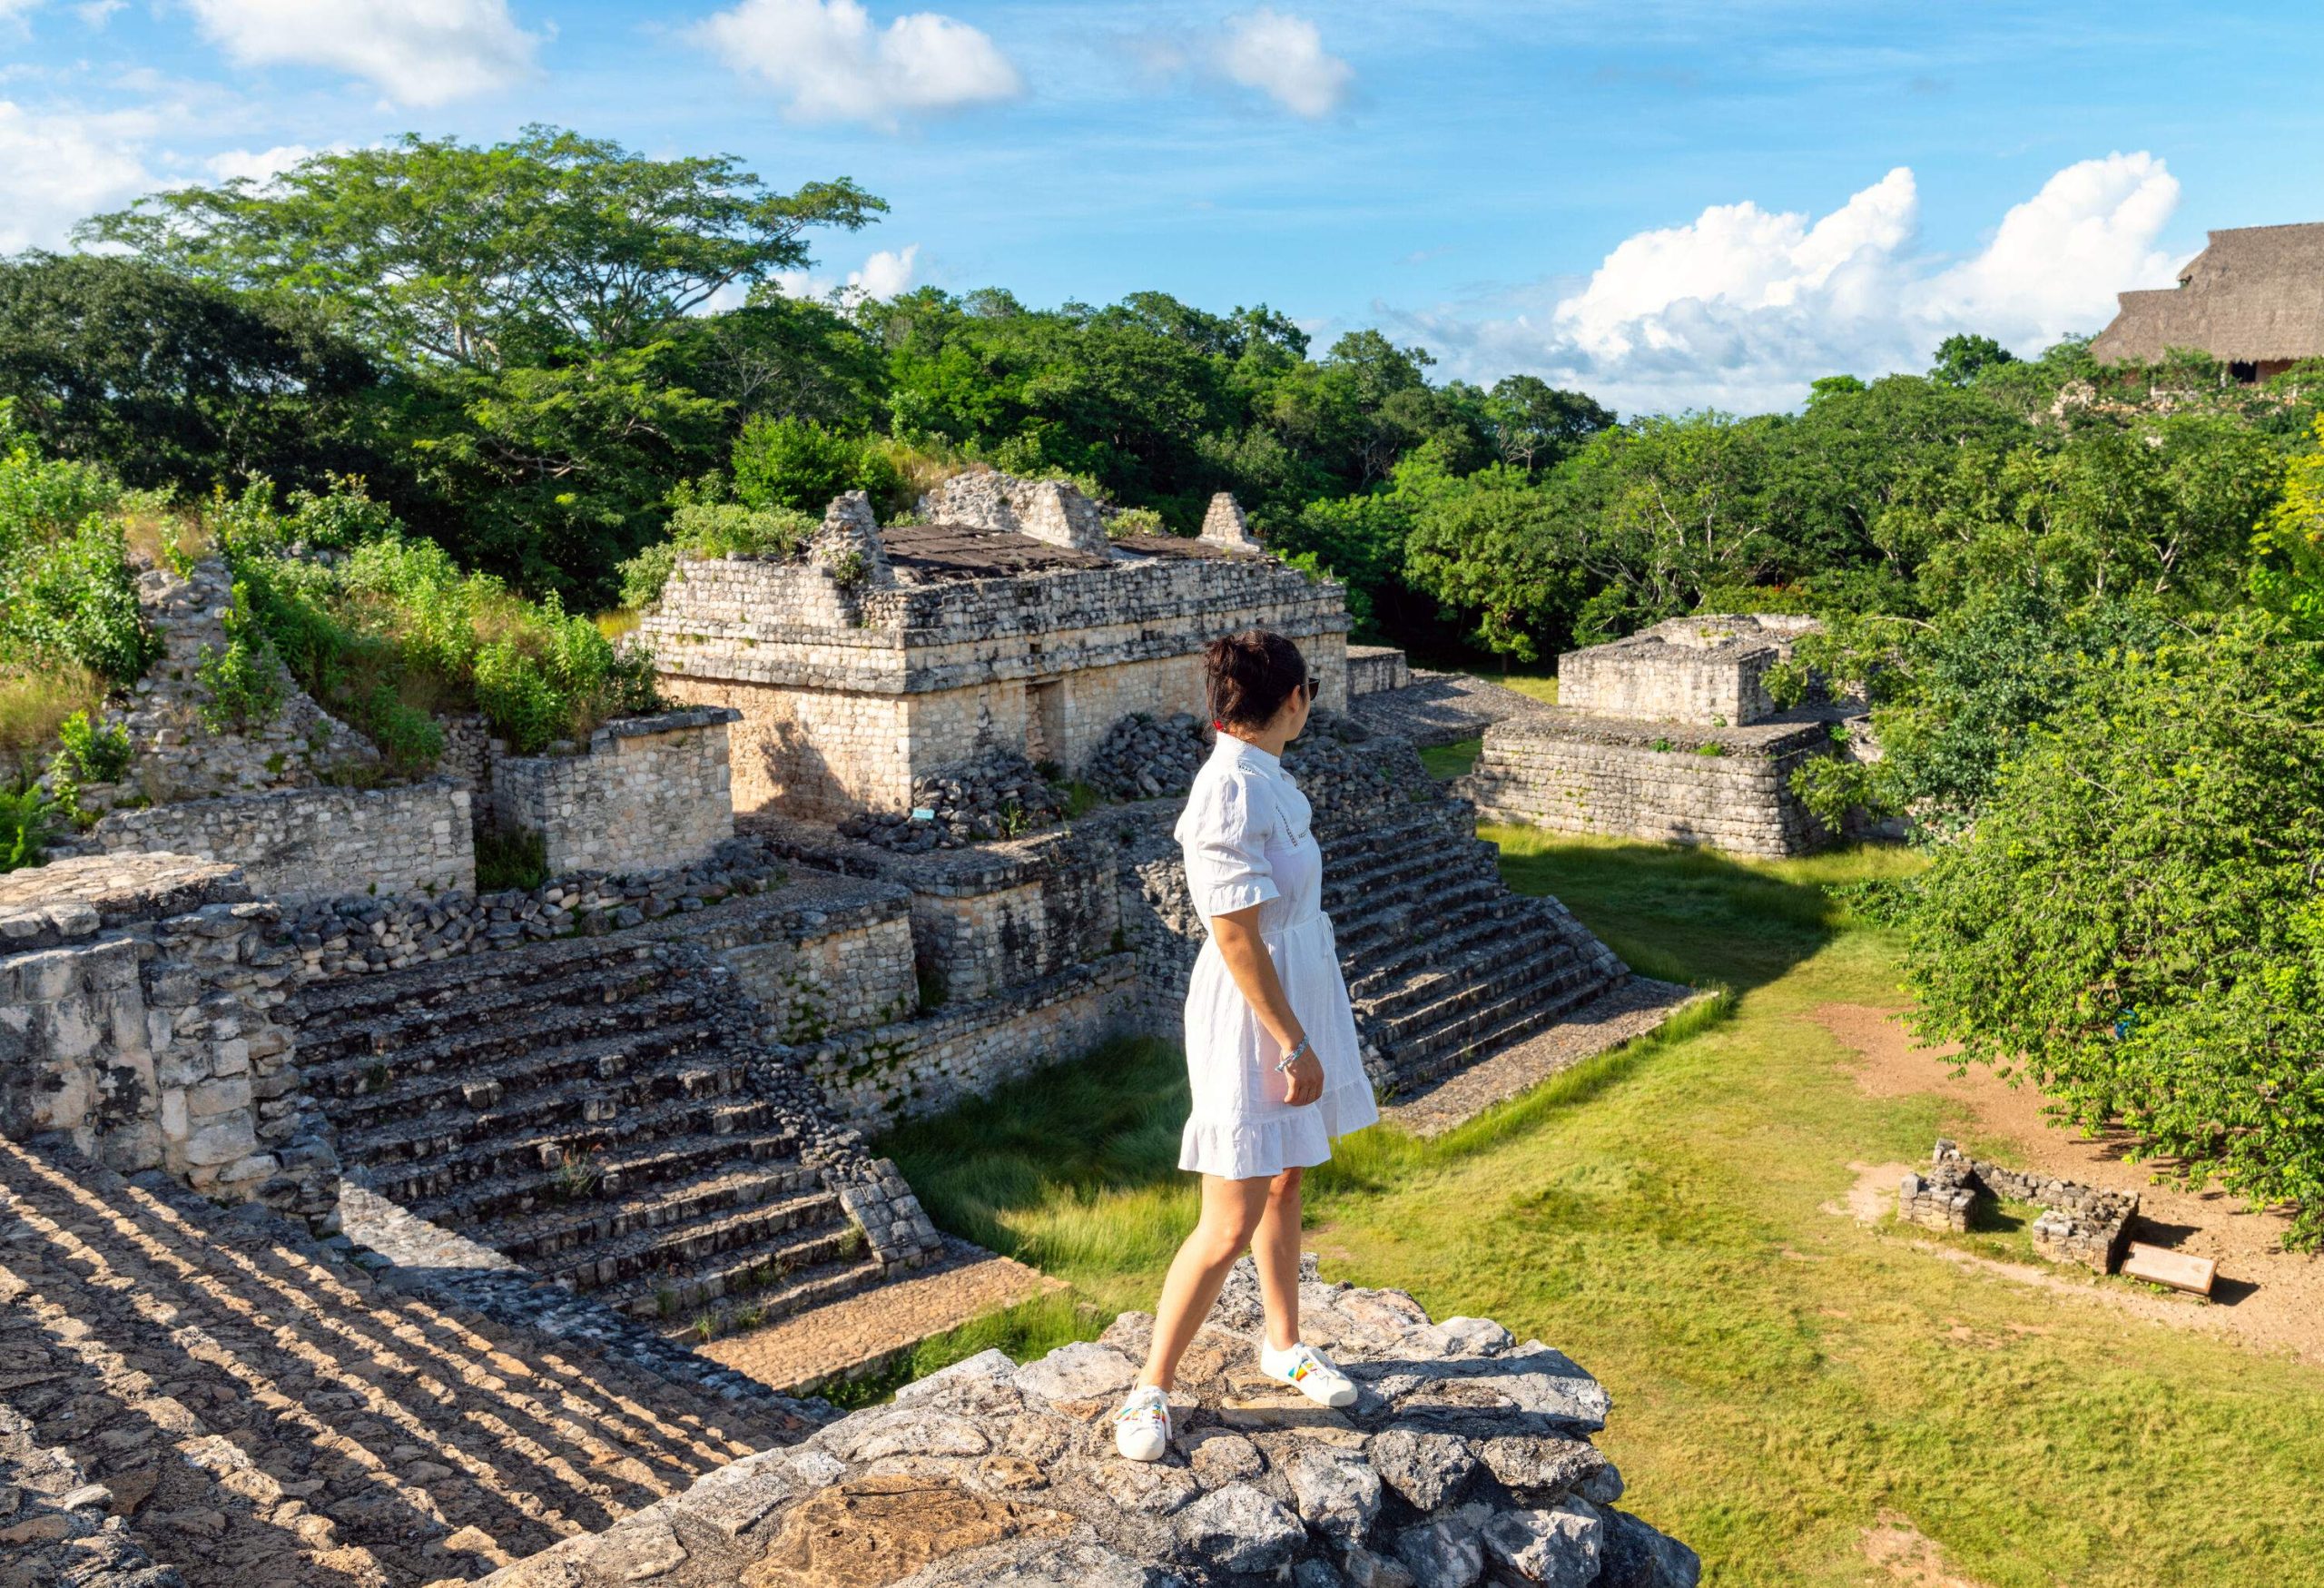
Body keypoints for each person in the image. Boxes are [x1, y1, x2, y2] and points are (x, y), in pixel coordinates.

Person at [1112, 628, 1380, 1462]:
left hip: (1294, 982)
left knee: (1288, 1170)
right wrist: (1293, 1041)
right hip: (1252, 1008)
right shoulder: (1229, 788)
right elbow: (1233, 937)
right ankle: (1149, 1387)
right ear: (1294, 700)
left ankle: (1282, 1340)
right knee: (1228, 1215)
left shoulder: (1267, 776)